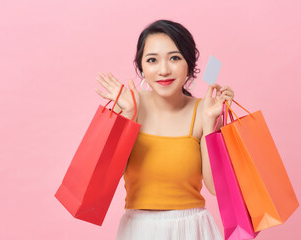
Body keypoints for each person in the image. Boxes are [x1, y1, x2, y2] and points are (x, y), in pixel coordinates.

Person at [94, 19, 234, 240]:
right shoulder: (130, 106)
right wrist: (128, 117)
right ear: (142, 67)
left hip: (192, 230)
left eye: (175, 58)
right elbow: (105, 182)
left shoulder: (204, 111)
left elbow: (216, 188)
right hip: (139, 231)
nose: (164, 70)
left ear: (189, 64)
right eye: (152, 60)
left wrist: (210, 123)